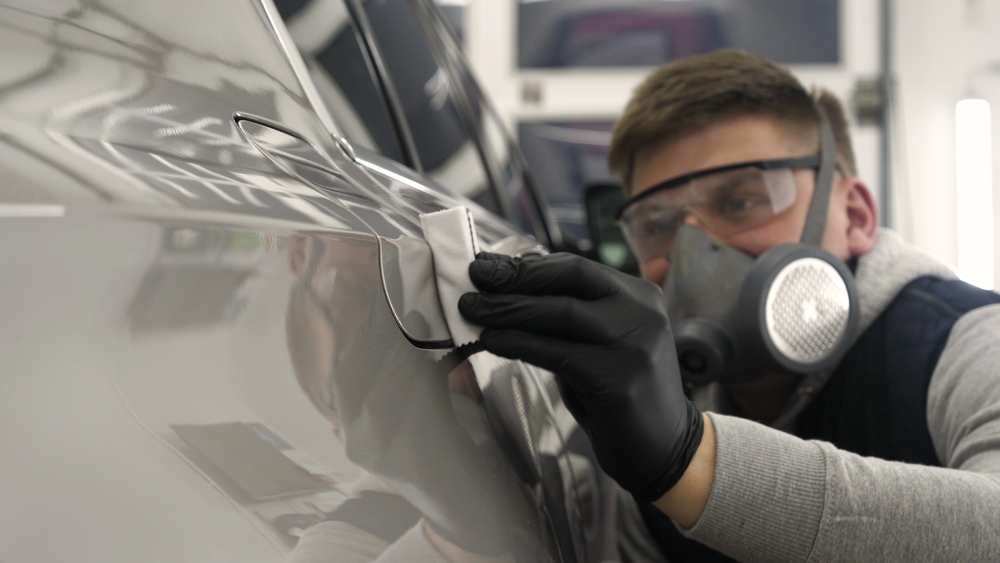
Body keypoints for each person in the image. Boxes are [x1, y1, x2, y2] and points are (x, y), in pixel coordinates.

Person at [458, 49, 1000, 562]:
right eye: (658, 224)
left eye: (740, 202)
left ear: (855, 215)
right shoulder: (650, 422)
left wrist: (693, 462)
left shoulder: (965, 341)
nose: (693, 253)